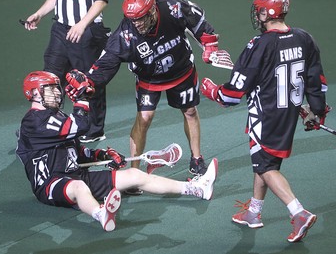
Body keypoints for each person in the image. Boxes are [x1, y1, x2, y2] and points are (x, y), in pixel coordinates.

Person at [70, 0, 232, 194]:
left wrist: (209, 45)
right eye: (132, 19)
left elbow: (197, 20)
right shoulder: (125, 34)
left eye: (140, 18)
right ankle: (133, 175)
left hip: (182, 70)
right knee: (144, 118)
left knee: (190, 111)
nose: (136, 24)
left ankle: (197, 159)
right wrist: (90, 81)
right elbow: (107, 61)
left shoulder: (173, 7)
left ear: (153, 10)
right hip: (149, 79)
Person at [16, 70, 218, 232]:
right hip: (50, 184)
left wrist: (102, 155)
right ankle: (100, 213)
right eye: (50, 89)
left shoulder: (56, 115)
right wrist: (81, 99)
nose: (58, 93)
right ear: (33, 93)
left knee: (135, 175)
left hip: (74, 174)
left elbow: (76, 152)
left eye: (57, 88)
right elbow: (80, 126)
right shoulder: (33, 120)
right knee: (78, 187)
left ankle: (196, 188)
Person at [201, 0, 329, 242]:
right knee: (265, 162)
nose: (256, 15)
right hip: (289, 113)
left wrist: (212, 91)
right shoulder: (304, 38)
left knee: (266, 166)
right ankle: (254, 213)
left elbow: (232, 95)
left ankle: (299, 213)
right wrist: (317, 111)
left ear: (265, 13)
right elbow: (316, 81)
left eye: (258, 10)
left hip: (265, 116)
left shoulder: (258, 45)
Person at [22, 0, 110, 143]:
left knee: (87, 82)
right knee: (49, 79)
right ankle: (45, 125)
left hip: (86, 30)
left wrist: (82, 24)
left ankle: (94, 130)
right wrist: (39, 13)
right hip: (61, 29)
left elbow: (101, 0)